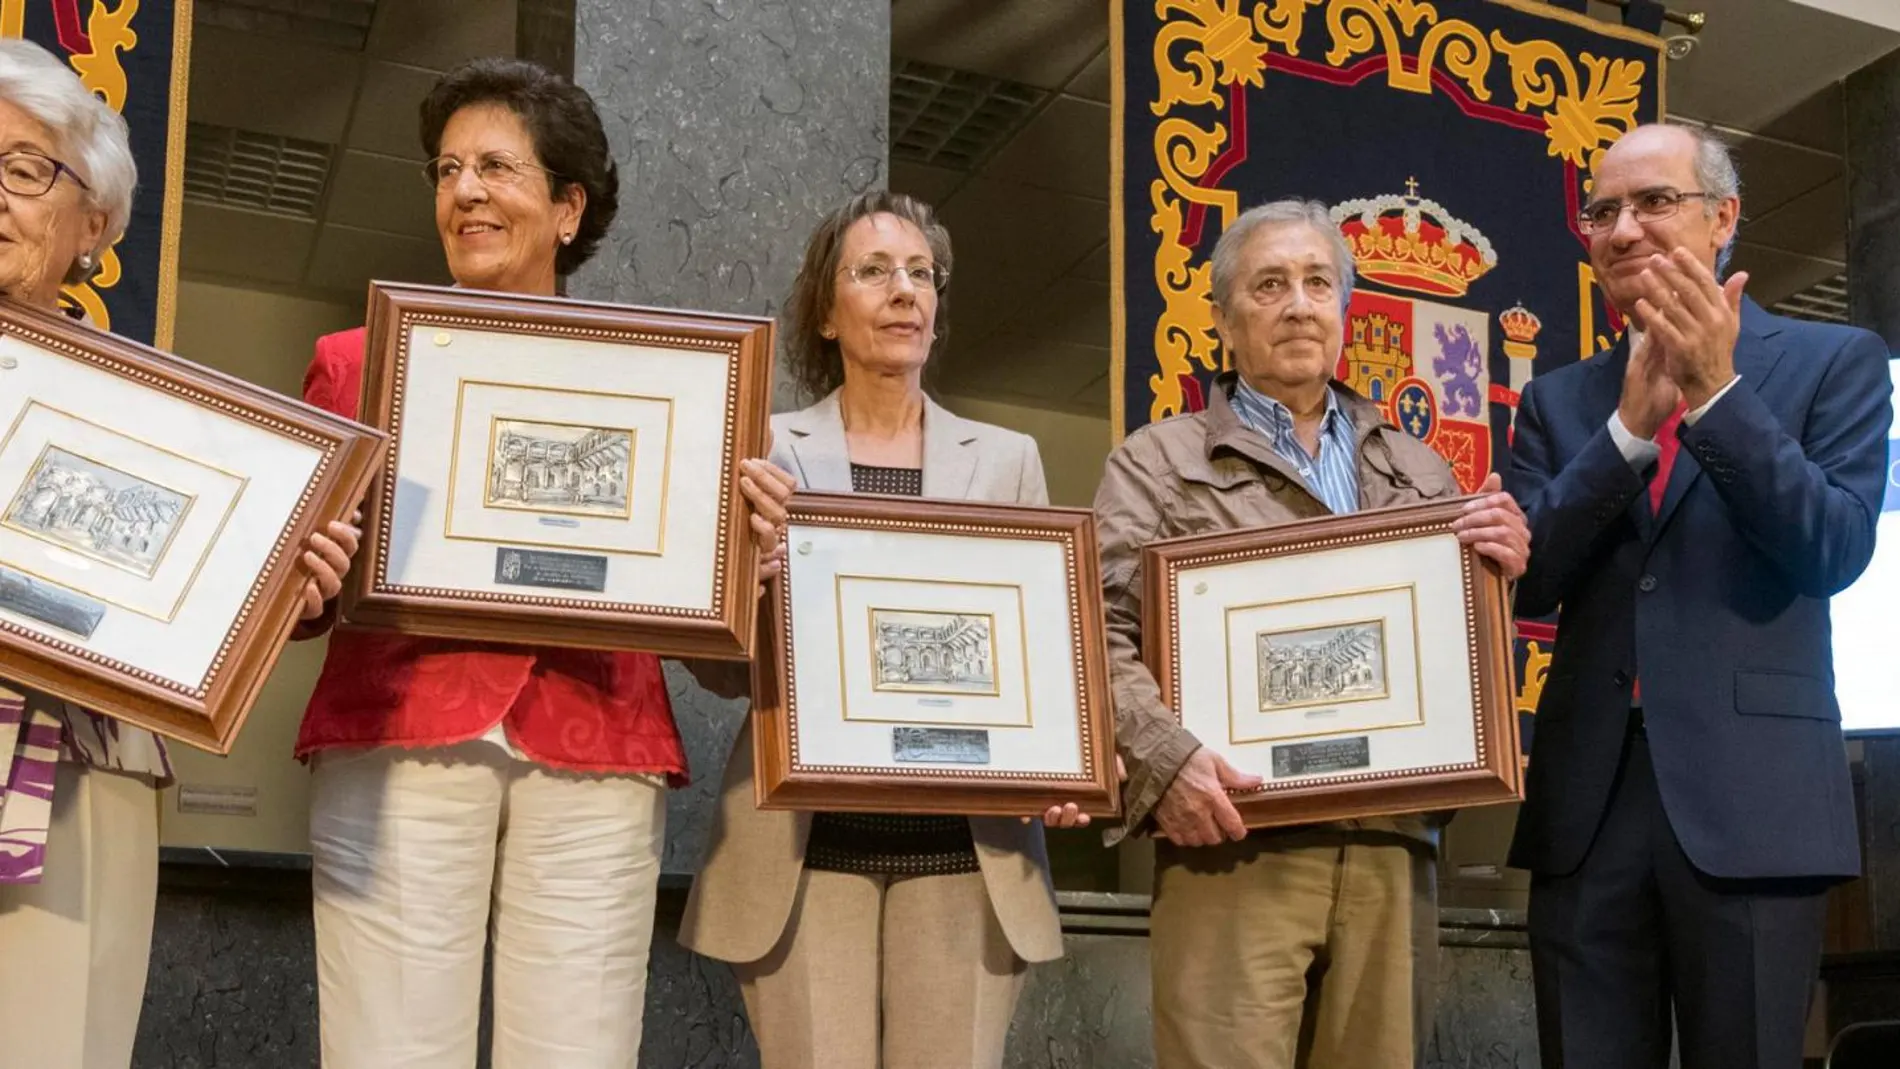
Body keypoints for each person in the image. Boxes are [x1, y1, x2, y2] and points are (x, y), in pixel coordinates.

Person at [291, 57, 683, 1068]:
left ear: (567, 208)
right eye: (447, 168)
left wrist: (740, 552)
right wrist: (299, 574)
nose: (463, 190)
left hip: (598, 739)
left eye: (496, 168)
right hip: (401, 731)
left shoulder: (668, 388)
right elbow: (294, 603)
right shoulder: (354, 362)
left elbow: (695, 592)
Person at [1092, 199, 1531, 1069]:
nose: (1298, 304)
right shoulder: (1155, 460)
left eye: (1318, 283)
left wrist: (1499, 581)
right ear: (1222, 320)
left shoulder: (1422, 468)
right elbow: (1097, 635)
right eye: (1270, 285)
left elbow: (1456, 655)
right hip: (1234, 845)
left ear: (1343, 310)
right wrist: (1167, 757)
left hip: (1391, 849)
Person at [1506, 123, 1892, 1069]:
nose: (1625, 228)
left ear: (1722, 219)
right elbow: (1531, 577)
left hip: (1753, 805)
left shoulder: (1832, 363)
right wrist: (1627, 436)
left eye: (1654, 203)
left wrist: (1716, 392)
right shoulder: (1557, 402)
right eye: (1604, 211)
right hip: (1587, 809)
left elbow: (1832, 548)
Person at [0, 38, 354, 1067]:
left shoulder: (166, 423)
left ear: (96, 224)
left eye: (25, 170)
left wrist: (283, 591)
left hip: (77, 770)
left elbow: (213, 605)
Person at [679, 190, 1089, 1069]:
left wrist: (1067, 759)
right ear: (826, 312)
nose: (904, 290)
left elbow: (1043, 655)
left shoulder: (1008, 458)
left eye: (921, 273)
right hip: (804, 853)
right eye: (873, 271)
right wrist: (740, 590)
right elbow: (711, 666)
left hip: (966, 856)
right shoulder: (761, 451)